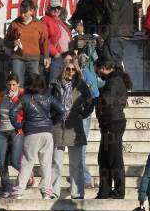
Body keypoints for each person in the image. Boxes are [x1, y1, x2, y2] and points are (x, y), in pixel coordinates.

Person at [9, 74, 63, 199]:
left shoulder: (25, 98)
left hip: (31, 133)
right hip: (47, 133)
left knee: (27, 162)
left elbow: (12, 113)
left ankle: (18, 191)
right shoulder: (48, 97)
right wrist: (52, 122)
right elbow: (61, 109)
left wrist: (19, 126)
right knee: (46, 163)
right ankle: (46, 192)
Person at [50, 60, 94, 200]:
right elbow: (48, 101)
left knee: (76, 164)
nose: (70, 72)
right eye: (68, 69)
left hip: (74, 127)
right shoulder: (55, 83)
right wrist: (52, 115)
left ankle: (77, 193)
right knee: (56, 163)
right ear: (64, 69)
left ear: (77, 71)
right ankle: (54, 192)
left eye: (73, 69)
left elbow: (90, 102)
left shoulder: (81, 85)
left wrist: (83, 114)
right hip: (58, 126)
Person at [95, 57, 131, 199]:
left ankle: (118, 191)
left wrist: (96, 100)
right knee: (104, 158)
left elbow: (107, 100)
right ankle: (104, 191)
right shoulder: (113, 80)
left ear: (104, 67)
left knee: (114, 158)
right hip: (109, 124)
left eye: (97, 70)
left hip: (113, 123)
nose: (97, 73)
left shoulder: (114, 81)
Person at [4, 0, 49, 86]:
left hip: (34, 60)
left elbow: (44, 41)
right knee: (17, 84)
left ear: (32, 11)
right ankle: (17, 100)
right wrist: (13, 43)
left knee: (34, 84)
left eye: (25, 12)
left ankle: (33, 100)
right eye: (21, 12)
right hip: (17, 59)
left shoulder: (38, 24)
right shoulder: (14, 24)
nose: (22, 14)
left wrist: (46, 56)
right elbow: (6, 41)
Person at [0, 73, 24, 198]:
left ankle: (28, 175)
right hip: (2, 131)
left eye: (14, 85)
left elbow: (24, 111)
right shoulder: (1, 96)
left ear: (18, 85)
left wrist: (14, 99)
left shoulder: (22, 95)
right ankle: (7, 187)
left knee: (15, 161)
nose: (11, 87)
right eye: (9, 84)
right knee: (2, 162)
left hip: (16, 130)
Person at [99, 0, 134, 66]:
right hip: (125, 35)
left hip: (114, 36)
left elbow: (112, 17)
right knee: (118, 66)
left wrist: (104, 35)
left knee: (110, 68)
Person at [77, 53, 100, 189]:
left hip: (84, 113)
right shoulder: (90, 73)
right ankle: (83, 176)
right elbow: (96, 93)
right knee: (81, 146)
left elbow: (92, 94)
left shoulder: (83, 75)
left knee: (81, 146)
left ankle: (85, 178)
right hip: (86, 112)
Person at [41, 0, 72, 85]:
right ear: (48, 8)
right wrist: (56, 53)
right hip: (56, 56)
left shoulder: (60, 21)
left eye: (58, 8)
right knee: (54, 82)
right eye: (54, 8)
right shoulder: (45, 20)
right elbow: (44, 39)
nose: (56, 10)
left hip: (68, 55)